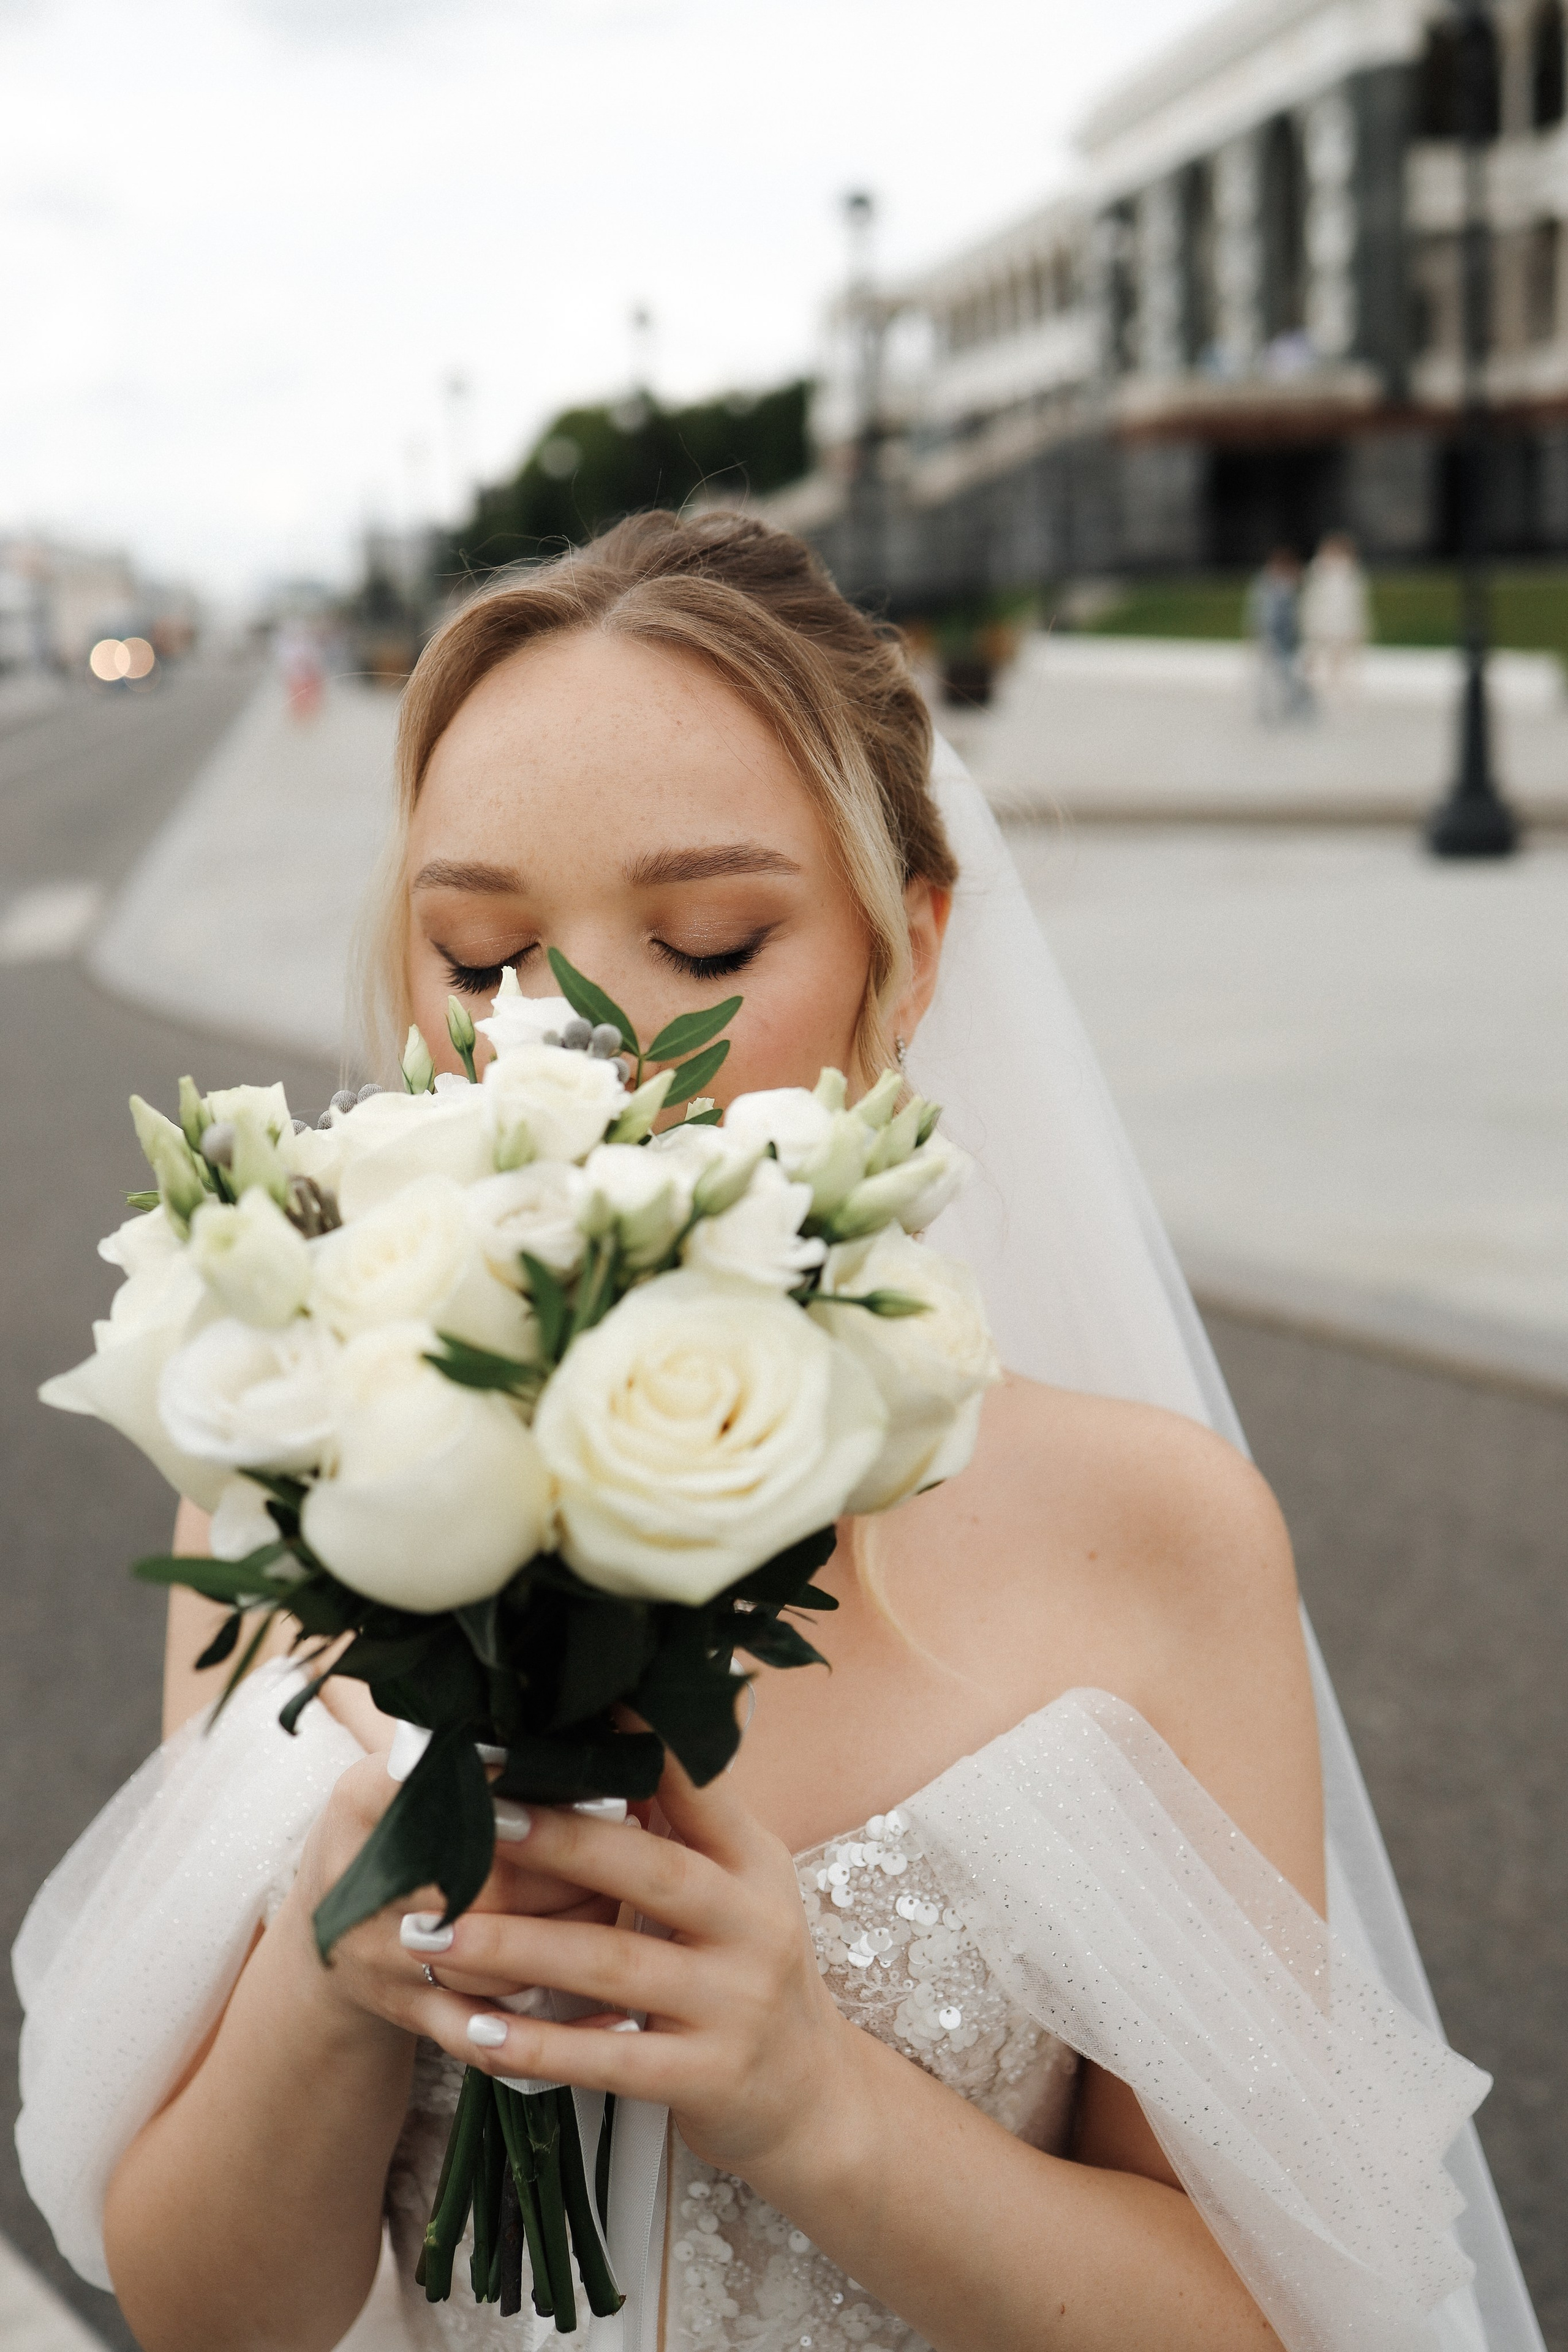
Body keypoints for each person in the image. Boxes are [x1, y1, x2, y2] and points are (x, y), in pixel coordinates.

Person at [13, 513, 1540, 2352]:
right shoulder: (291, 1471)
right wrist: (331, 1992)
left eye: (709, 938)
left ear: (908, 951)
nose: (564, 1045)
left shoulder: (1152, 1533)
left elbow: (1272, 2316)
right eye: (481, 954)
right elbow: (200, 2310)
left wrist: (816, 2101)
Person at [1302, 530, 1371, 699]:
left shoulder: (1351, 571)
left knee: (1340, 653)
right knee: (1318, 651)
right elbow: (1311, 599)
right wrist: (1310, 621)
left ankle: (1337, 684)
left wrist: (1360, 625)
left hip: (1342, 620)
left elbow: (1357, 601)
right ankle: (1314, 683)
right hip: (1322, 619)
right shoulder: (1318, 570)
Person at [1246, 546, 1313, 723]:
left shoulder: (1293, 585)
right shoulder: (1266, 584)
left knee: (1288, 676)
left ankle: (1289, 710)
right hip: (1271, 637)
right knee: (1269, 678)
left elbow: (1300, 615)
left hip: (1288, 639)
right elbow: (1259, 612)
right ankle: (1269, 712)